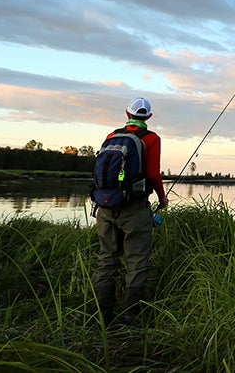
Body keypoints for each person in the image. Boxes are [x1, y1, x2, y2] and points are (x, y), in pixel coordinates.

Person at [91, 97, 168, 327]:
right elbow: (153, 174)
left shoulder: (111, 137)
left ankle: (102, 315)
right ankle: (129, 316)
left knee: (106, 259)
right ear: (149, 117)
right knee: (137, 262)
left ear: (127, 114)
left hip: (105, 206)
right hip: (134, 209)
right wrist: (162, 197)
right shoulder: (151, 139)